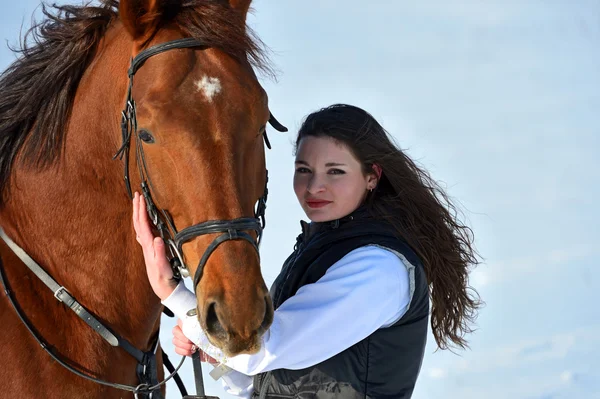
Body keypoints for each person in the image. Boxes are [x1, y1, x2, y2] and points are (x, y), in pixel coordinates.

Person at [132, 104, 481, 398]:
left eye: (335, 171)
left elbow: (266, 351)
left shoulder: (379, 267)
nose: (315, 186)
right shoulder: (322, 250)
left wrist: (173, 293)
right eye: (304, 170)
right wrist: (219, 357)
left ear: (372, 176)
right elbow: (268, 377)